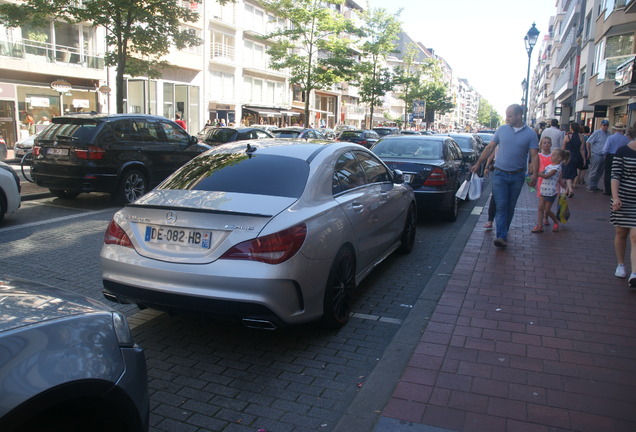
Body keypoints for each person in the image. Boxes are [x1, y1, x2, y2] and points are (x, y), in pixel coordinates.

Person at [471, 104, 539, 248]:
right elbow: (490, 147)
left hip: (518, 176)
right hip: (500, 174)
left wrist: (535, 174)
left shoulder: (531, 134)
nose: (506, 118)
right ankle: (501, 236)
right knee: (501, 205)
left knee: (510, 207)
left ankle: (503, 232)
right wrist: (479, 163)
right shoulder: (501, 130)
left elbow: (534, 155)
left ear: (519, 116)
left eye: (509, 116)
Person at [610, 123, 636, 285]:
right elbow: (615, 175)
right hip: (623, 198)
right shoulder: (623, 151)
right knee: (621, 233)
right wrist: (615, 197)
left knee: (635, 236)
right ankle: (621, 264)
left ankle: (634, 273)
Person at [532, 149, 569, 234]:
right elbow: (542, 172)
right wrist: (538, 173)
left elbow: (547, 175)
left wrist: (537, 173)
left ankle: (556, 221)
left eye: (554, 155)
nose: (551, 157)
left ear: (559, 158)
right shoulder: (549, 166)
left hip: (551, 191)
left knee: (547, 210)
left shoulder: (557, 167)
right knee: (540, 208)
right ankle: (539, 225)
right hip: (543, 189)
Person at [603, 123, 630, 195]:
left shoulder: (610, 138)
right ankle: (617, 189)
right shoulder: (626, 139)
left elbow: (605, 149)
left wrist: (605, 156)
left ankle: (608, 190)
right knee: (619, 173)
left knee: (608, 173)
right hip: (622, 157)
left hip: (611, 156)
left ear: (614, 129)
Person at [586, 119, 611, 192]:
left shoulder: (608, 133)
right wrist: (589, 152)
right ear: (601, 125)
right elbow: (588, 142)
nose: (605, 127)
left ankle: (595, 185)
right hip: (596, 154)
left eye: (607, 125)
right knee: (594, 171)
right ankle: (590, 186)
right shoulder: (597, 132)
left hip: (604, 155)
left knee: (600, 172)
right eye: (604, 125)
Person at [561, 122, 584, 197]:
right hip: (576, 156)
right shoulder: (581, 137)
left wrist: (562, 157)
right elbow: (582, 149)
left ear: (571, 128)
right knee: (572, 173)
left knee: (567, 173)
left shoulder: (567, 136)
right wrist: (584, 159)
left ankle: (570, 190)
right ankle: (567, 191)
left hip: (568, 156)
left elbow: (563, 148)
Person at [536, 136, 554, 226]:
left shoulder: (554, 156)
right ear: (541, 145)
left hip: (552, 181)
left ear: (551, 144)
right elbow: (535, 168)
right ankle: (540, 224)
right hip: (541, 181)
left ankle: (546, 216)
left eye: (548, 142)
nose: (547, 144)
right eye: (544, 143)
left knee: (548, 204)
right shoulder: (538, 156)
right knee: (541, 204)